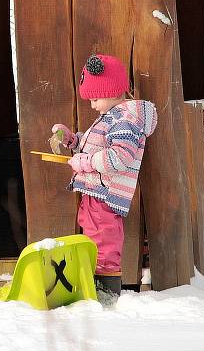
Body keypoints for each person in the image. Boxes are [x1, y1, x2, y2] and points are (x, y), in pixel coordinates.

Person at [49, 54, 157, 297]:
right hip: (95, 190)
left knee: (103, 239)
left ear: (112, 91)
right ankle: (95, 284)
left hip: (106, 193)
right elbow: (96, 147)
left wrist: (85, 162)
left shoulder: (125, 120)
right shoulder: (110, 118)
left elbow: (119, 158)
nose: (92, 105)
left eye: (95, 98)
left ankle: (106, 291)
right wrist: (72, 140)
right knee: (93, 235)